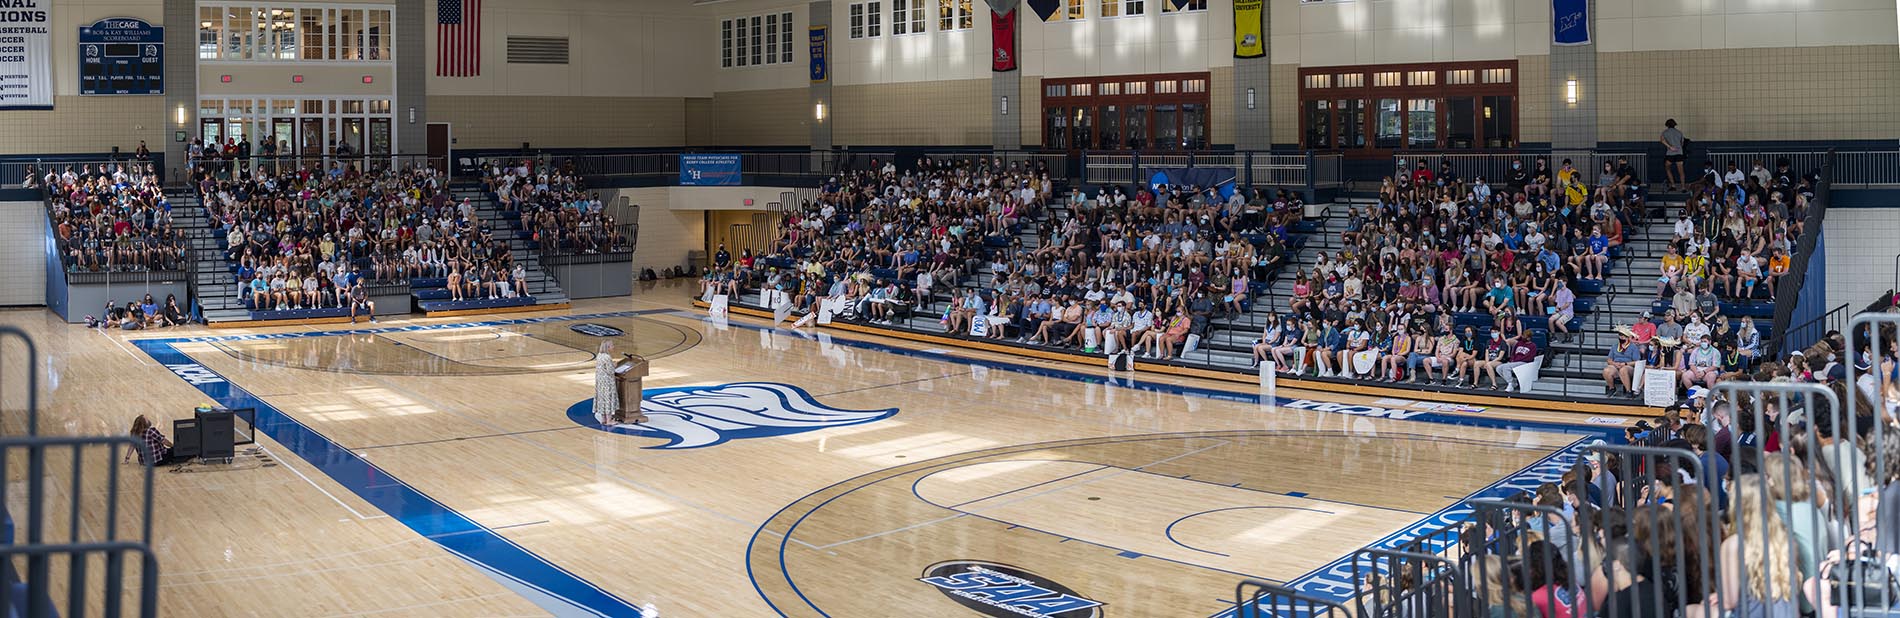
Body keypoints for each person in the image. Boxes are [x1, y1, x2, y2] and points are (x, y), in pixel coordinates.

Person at [1661, 119, 1686, 191]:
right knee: (1681, 171)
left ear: (1667, 125)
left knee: (1668, 168)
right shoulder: (1679, 132)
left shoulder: (1665, 132)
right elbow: (1682, 143)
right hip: (1679, 153)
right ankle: (1683, 187)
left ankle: (1673, 185)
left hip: (1670, 154)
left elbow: (1662, 140)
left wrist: (1670, 147)